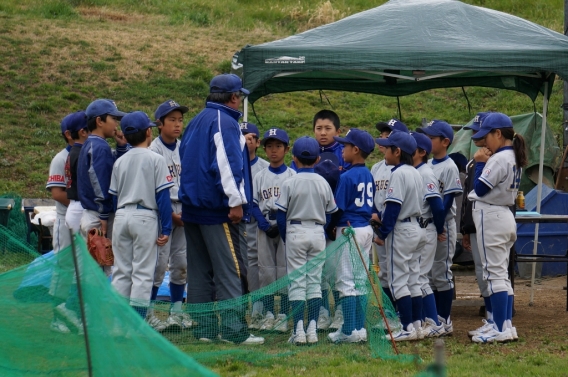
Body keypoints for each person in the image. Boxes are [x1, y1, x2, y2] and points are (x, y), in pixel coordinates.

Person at [178, 73, 263, 345]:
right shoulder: (225, 122)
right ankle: (234, 332)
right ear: (234, 97)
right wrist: (235, 202)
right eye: (240, 96)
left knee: (199, 270)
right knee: (230, 270)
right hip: (217, 210)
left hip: (192, 208)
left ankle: (203, 330)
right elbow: (227, 166)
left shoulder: (196, 121)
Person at [467, 112, 525, 343]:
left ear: (498, 134)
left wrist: (480, 163)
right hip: (503, 214)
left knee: (494, 275)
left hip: (492, 214)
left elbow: (480, 189)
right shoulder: (512, 156)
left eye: (487, 136)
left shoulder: (500, 158)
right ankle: (504, 325)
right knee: (502, 275)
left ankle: (500, 328)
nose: (485, 142)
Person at [109, 111, 173, 320]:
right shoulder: (156, 158)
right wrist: (166, 228)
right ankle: (135, 325)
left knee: (121, 272)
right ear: (148, 132)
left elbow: (113, 198)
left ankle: (118, 323)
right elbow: (163, 197)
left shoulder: (120, 161)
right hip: (145, 217)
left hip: (121, 216)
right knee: (143, 274)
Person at [275, 136, 337, 345]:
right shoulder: (323, 182)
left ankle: (298, 331)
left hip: (296, 230)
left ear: (294, 158)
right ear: (318, 159)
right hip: (318, 232)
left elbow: (280, 215)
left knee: (297, 282)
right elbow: (331, 214)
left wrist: (286, 237)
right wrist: (322, 230)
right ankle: (312, 329)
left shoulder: (289, 181)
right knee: (314, 282)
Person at [325, 129, 376, 344]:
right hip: (365, 229)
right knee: (360, 281)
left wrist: (329, 227)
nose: (342, 149)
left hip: (348, 229)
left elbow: (337, 209)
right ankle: (358, 328)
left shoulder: (346, 176)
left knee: (345, 281)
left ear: (356, 150)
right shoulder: (369, 173)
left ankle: (348, 330)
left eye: (345, 146)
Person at [147, 99, 192, 332]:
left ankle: (176, 311)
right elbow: (153, 189)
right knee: (158, 264)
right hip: (162, 210)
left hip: (183, 209)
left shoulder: (184, 147)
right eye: (172, 120)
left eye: (180, 120)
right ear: (159, 123)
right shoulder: (153, 150)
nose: (177, 124)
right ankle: (150, 312)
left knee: (181, 263)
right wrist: (170, 216)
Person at [375, 130, 424, 341]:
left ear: (397, 151)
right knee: (413, 280)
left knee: (398, 282)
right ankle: (417, 325)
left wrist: (383, 232)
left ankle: (406, 327)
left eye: (387, 148)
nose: (384, 151)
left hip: (402, 229)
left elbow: (394, 206)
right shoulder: (415, 171)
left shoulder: (398, 173)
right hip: (417, 228)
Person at [416, 120, 463, 335]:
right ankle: (433, 318)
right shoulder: (428, 166)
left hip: (444, 224)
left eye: (431, 138)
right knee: (431, 274)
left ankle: (445, 319)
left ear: (445, 142)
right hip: (433, 225)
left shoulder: (450, 165)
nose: (427, 140)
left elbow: (447, 199)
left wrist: (439, 225)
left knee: (442, 273)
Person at [250, 128, 295, 332]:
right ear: (264, 148)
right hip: (265, 224)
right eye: (269, 146)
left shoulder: (293, 175)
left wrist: (282, 225)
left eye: (278, 146)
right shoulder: (260, 175)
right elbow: (252, 204)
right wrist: (264, 224)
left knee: (285, 271)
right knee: (266, 271)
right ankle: (268, 315)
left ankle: (284, 315)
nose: (273, 150)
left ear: (287, 149)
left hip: (286, 226)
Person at [77, 99, 128, 275]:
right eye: (113, 118)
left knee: (94, 270)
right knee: (99, 273)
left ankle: (85, 303)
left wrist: (121, 148)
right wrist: (105, 213)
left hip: (93, 214)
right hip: (99, 217)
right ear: (99, 121)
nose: (116, 123)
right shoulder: (99, 147)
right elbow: (100, 183)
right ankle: (89, 304)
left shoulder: (91, 144)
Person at [410, 132, 447, 338]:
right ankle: (426, 320)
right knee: (416, 277)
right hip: (421, 227)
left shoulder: (425, 173)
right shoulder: (415, 171)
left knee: (421, 277)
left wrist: (439, 228)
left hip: (426, 227)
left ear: (421, 152)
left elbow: (438, 206)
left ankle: (434, 322)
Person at [371, 119, 409, 306]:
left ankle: (401, 313)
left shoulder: (403, 170)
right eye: (382, 135)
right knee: (384, 270)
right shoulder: (376, 168)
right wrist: (375, 214)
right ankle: (389, 311)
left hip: (397, 224)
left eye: (388, 135)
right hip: (379, 224)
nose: (383, 139)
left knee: (401, 271)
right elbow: (371, 195)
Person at [47, 112, 79, 334]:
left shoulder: (86, 153)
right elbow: (57, 193)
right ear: (69, 134)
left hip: (80, 220)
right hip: (63, 221)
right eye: (83, 129)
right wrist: (83, 206)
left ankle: (73, 312)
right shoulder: (60, 158)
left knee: (82, 270)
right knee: (63, 268)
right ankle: (56, 317)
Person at [241, 122, 270, 329]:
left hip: (256, 221)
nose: (245, 140)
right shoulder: (232, 163)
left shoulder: (265, 167)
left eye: (250, 137)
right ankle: (248, 303)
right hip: (235, 220)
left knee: (258, 260)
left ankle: (260, 305)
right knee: (243, 263)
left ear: (258, 142)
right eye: (241, 136)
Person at [314, 152, 341, 331]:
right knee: (321, 275)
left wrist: (332, 227)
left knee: (336, 273)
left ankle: (339, 310)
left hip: (334, 234)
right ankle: (323, 312)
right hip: (317, 234)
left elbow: (339, 210)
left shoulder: (341, 184)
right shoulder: (313, 185)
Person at [64, 112, 90, 234]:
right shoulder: (82, 153)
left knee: (78, 252)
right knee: (84, 252)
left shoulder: (74, 151)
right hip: (80, 208)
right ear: (82, 132)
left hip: (74, 207)